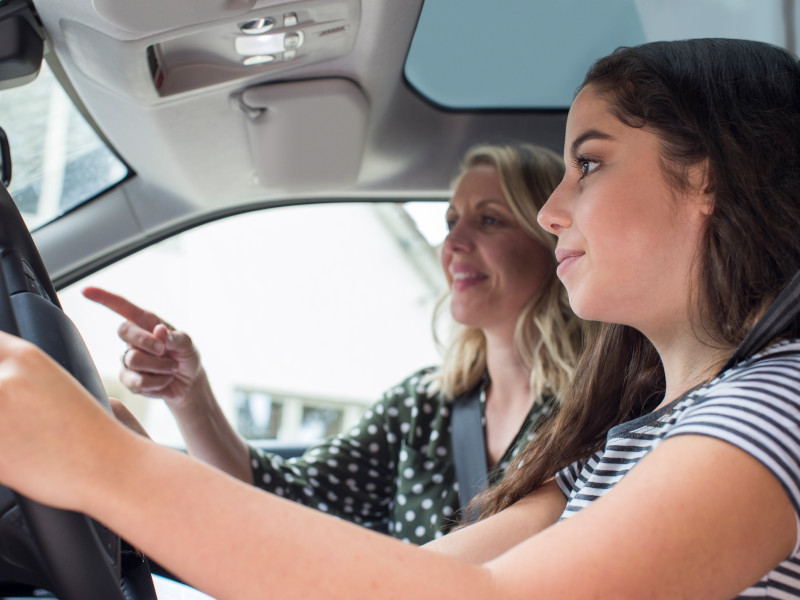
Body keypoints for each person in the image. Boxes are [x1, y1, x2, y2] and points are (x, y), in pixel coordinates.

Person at [0, 37, 799, 600]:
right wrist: (112, 467)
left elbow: (484, 597)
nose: (558, 209)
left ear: (711, 180)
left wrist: (105, 466)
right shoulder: (621, 440)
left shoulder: (777, 404)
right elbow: (415, 573)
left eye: (587, 164)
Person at [81, 142, 583, 542]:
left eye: (489, 219)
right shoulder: (423, 407)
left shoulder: (597, 412)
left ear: (552, 240)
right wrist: (189, 397)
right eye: (451, 222)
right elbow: (286, 500)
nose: (452, 244)